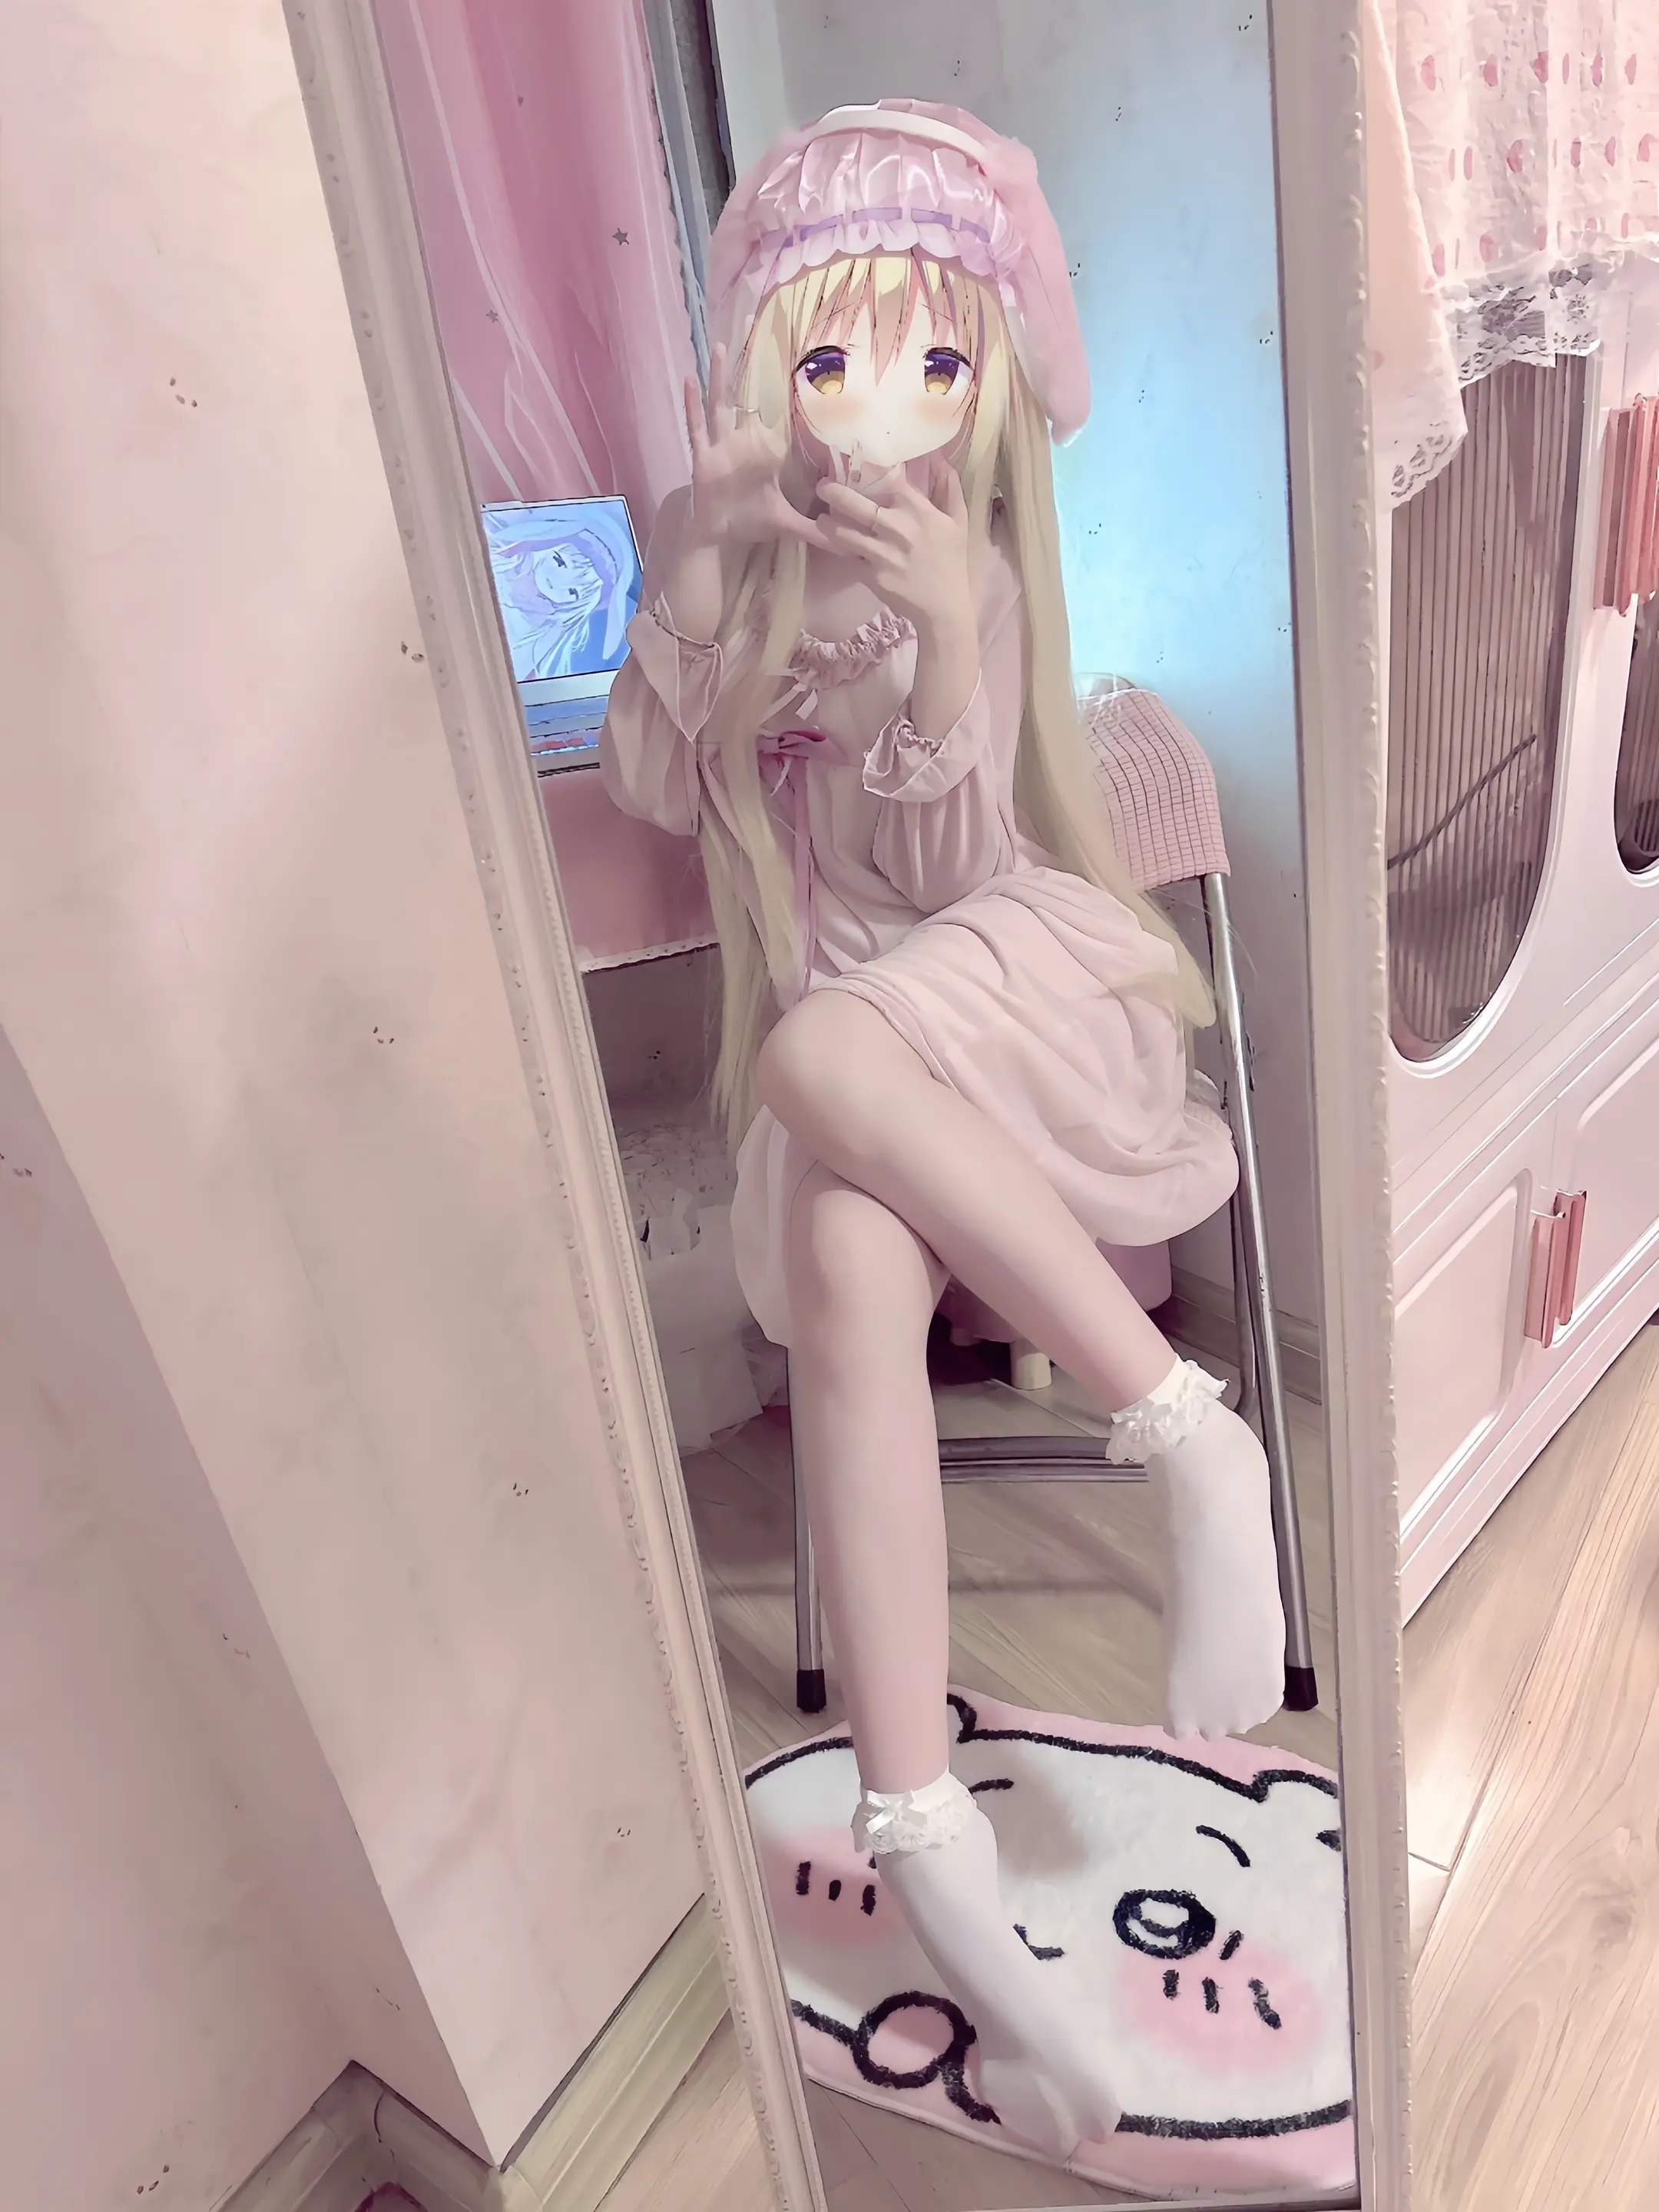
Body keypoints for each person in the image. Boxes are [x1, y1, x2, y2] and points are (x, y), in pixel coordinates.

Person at [600, 99, 1286, 2161]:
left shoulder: (966, 570)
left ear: (983, 383)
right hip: (861, 1066)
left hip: (993, 989)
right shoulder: (748, 576)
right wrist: (696, 561)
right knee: (838, 1253)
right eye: (828, 356)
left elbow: (952, 862)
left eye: (926, 357)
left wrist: (954, 647)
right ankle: (934, 1853)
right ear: (766, 373)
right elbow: (656, 792)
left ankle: (1188, 1430)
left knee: (813, 1063)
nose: (878, 405)